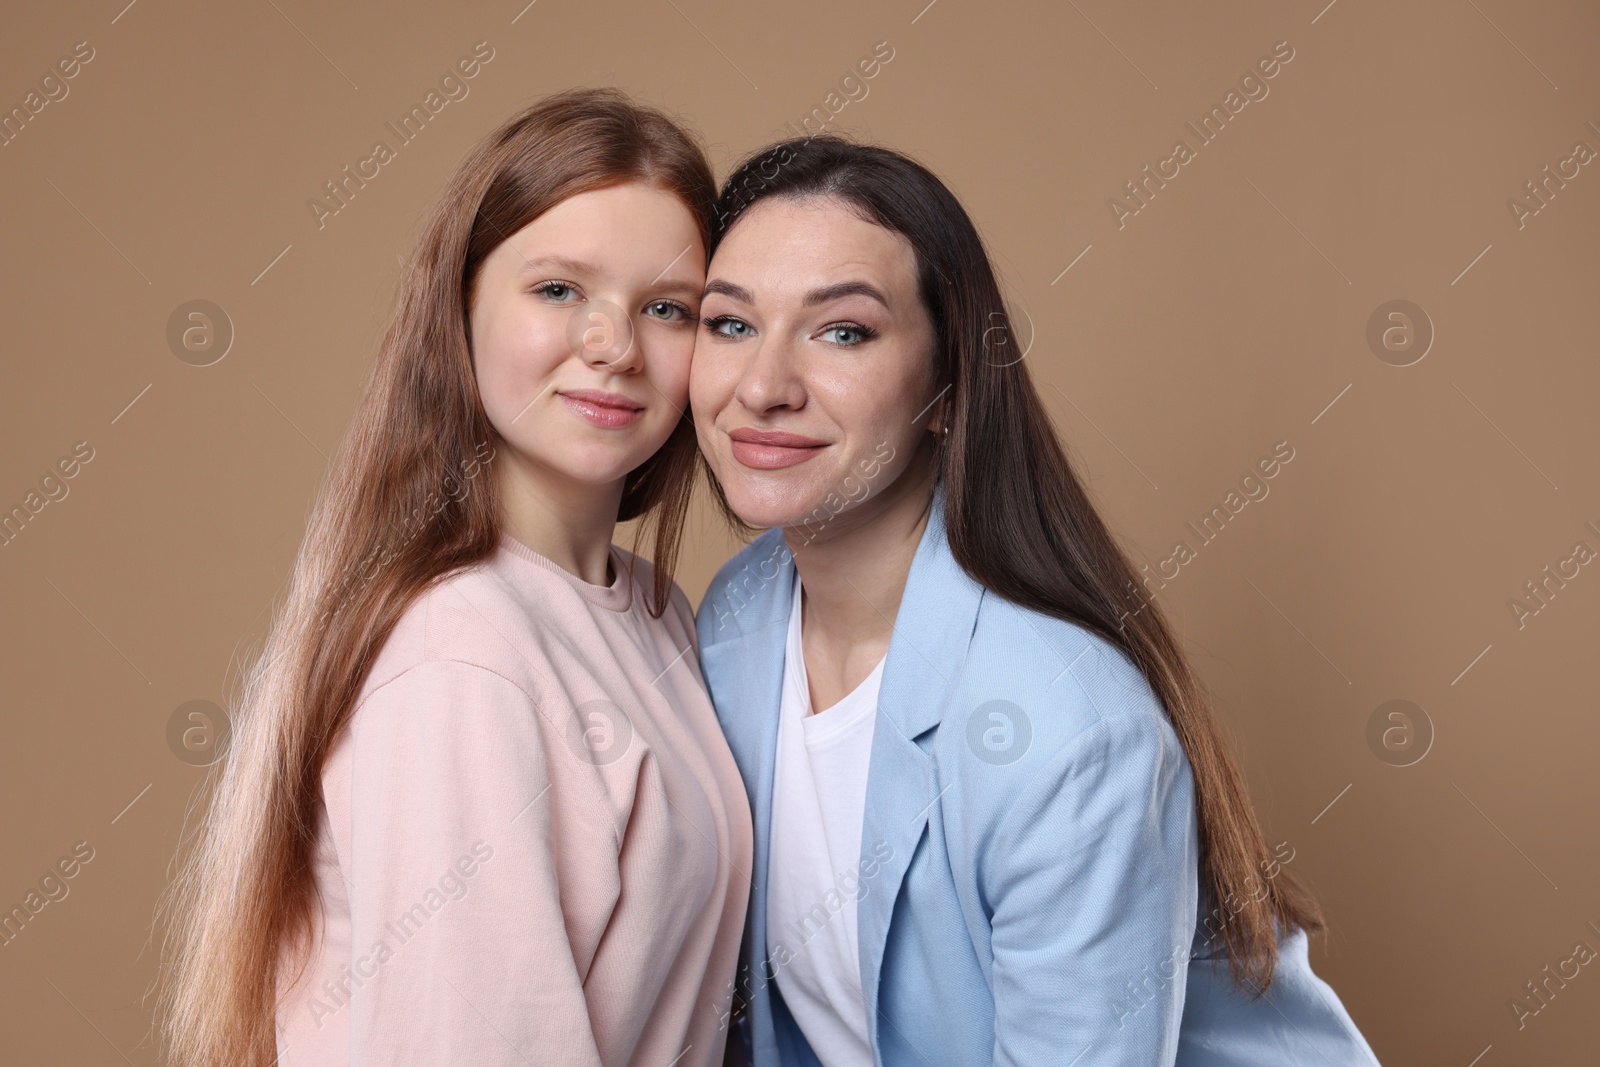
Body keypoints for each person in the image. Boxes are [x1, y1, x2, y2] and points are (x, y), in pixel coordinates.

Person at [690, 136, 1382, 1066]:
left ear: (945, 388)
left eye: (842, 331)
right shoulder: (736, 616)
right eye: (730, 324)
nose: (762, 386)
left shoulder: (1064, 733)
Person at [158, 88, 752, 1067]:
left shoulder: (656, 613)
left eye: (667, 308)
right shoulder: (461, 651)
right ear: (460, 308)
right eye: (558, 289)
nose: (612, 344)